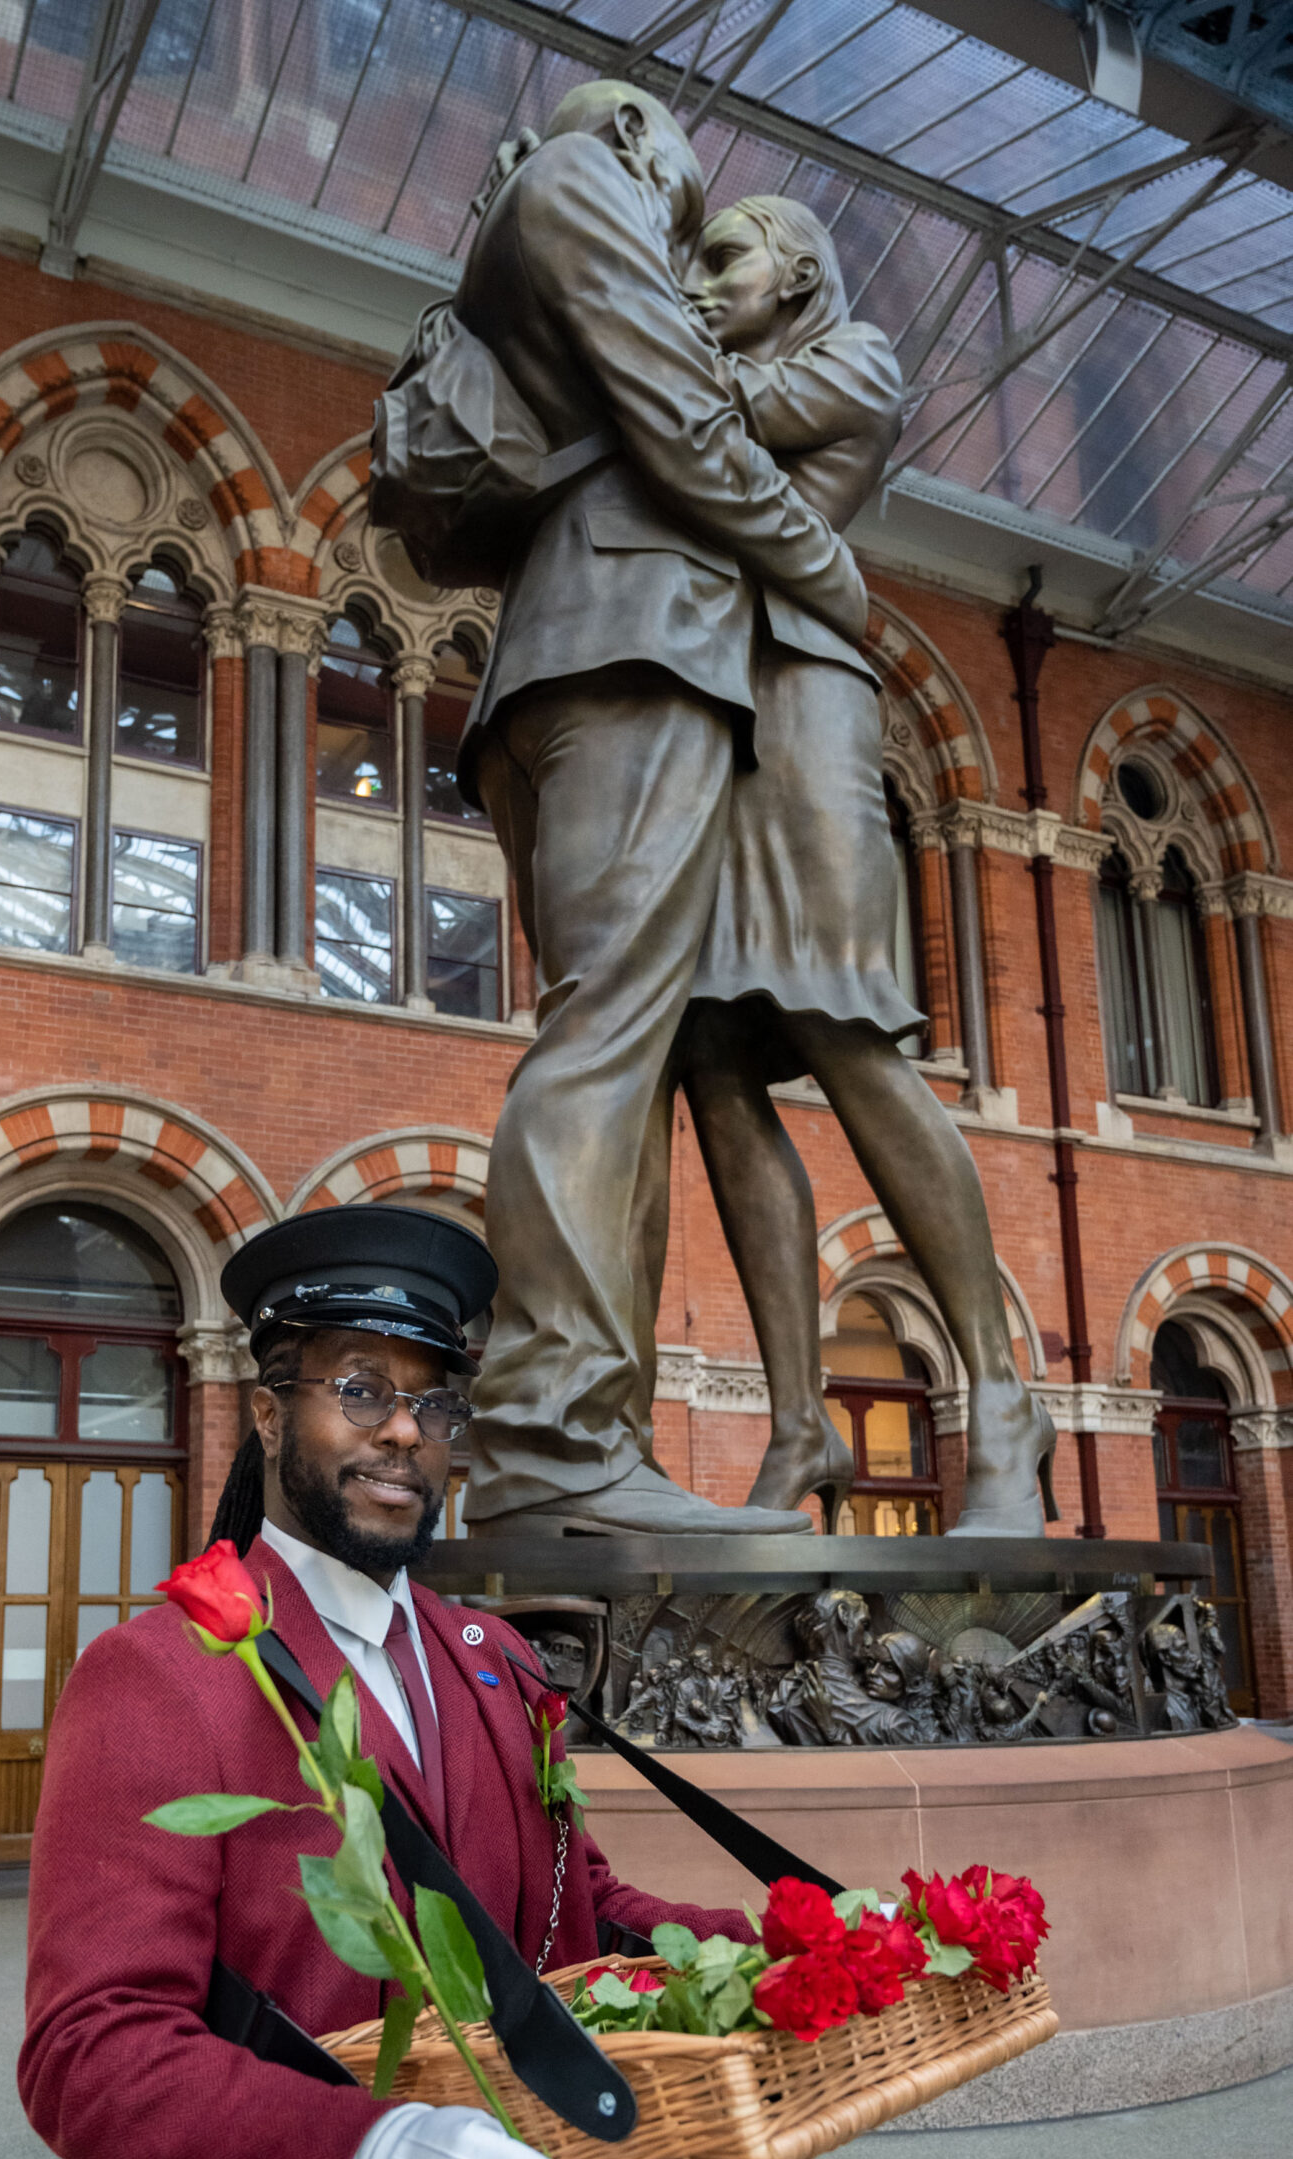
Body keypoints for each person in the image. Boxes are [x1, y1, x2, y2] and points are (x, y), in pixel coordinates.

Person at [20, 1203, 763, 2159]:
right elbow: (91, 2053)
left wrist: (786, 1957)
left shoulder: (496, 1660)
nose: (405, 1435)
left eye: (434, 1402)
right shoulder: (160, 1678)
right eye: (360, 1388)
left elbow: (579, 1916)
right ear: (267, 1408)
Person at [445, 80, 871, 1536]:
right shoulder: (583, 182)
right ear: (642, 138)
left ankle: (589, 1444)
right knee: (608, 1038)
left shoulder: (520, 224)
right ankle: (557, 1442)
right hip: (627, 651)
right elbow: (688, 429)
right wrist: (830, 576)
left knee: (613, 1047)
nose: (686, 238)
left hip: (562, 663)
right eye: (686, 208)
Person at [669, 197, 1056, 1535]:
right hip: (699, 707)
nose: (701, 283)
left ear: (800, 272)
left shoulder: (856, 359)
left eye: (724, 259)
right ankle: (796, 1424)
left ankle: (1003, 1397)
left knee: (844, 1029)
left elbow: (698, 427)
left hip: (805, 705)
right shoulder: (711, 354)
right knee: (709, 1057)